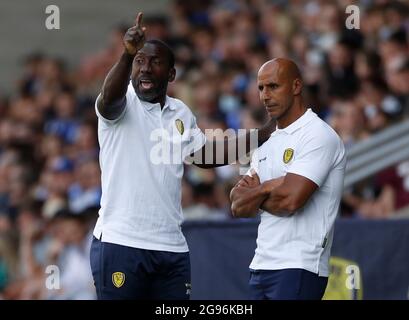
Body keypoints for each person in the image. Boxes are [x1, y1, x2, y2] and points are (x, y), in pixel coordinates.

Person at [89, 12, 274, 300]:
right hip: (121, 243)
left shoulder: (180, 112)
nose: (145, 69)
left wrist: (261, 135)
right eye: (140, 62)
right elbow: (108, 99)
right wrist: (126, 55)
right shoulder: (122, 104)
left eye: (155, 62)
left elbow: (205, 155)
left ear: (172, 74)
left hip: (171, 247)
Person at [230, 58, 346, 300]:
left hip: (300, 265)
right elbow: (238, 206)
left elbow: (291, 201)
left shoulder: (318, 135)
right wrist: (271, 186)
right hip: (261, 264)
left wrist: (258, 192)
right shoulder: (266, 142)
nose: (265, 96)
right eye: (261, 88)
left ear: (295, 86)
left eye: (273, 86)